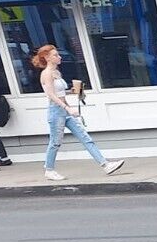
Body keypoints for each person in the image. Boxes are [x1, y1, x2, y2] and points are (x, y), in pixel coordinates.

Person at [33, 45, 123, 181]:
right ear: (47, 58)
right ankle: (49, 170)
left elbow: (61, 92)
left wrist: (76, 91)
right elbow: (51, 95)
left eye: (58, 54)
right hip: (57, 111)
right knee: (55, 142)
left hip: (64, 110)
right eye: (55, 55)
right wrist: (67, 108)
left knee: (85, 137)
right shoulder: (46, 74)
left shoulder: (56, 72)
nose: (59, 57)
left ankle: (105, 164)